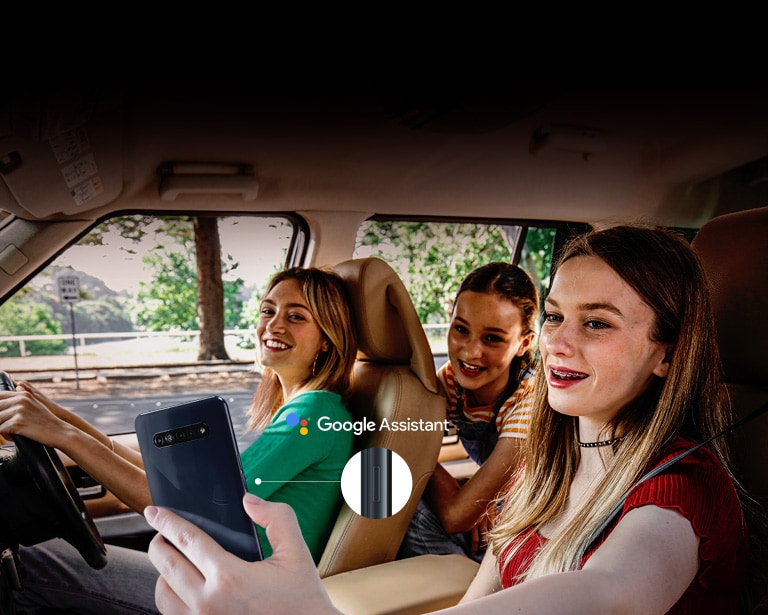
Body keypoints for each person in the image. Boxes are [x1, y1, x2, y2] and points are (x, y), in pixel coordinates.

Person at [146, 225, 756, 614]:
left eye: (597, 323)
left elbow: (608, 594)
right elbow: (479, 598)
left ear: (667, 353)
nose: (559, 344)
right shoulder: (548, 468)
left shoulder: (682, 487)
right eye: (555, 317)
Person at [0, 266, 357, 613]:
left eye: (296, 316)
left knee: (30, 563)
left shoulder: (314, 411)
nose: (274, 324)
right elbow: (179, 488)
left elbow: (199, 511)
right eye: (268, 310)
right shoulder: (307, 408)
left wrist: (62, 433)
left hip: (237, 591)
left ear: (327, 339)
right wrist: (61, 418)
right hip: (216, 572)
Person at [399, 262, 538, 561]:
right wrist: (472, 496)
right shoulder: (451, 382)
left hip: (536, 524)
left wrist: (470, 501)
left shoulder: (530, 401)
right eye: (461, 329)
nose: (471, 352)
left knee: (413, 511)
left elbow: (455, 516)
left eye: (493, 338)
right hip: (503, 506)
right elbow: (406, 444)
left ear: (524, 343)